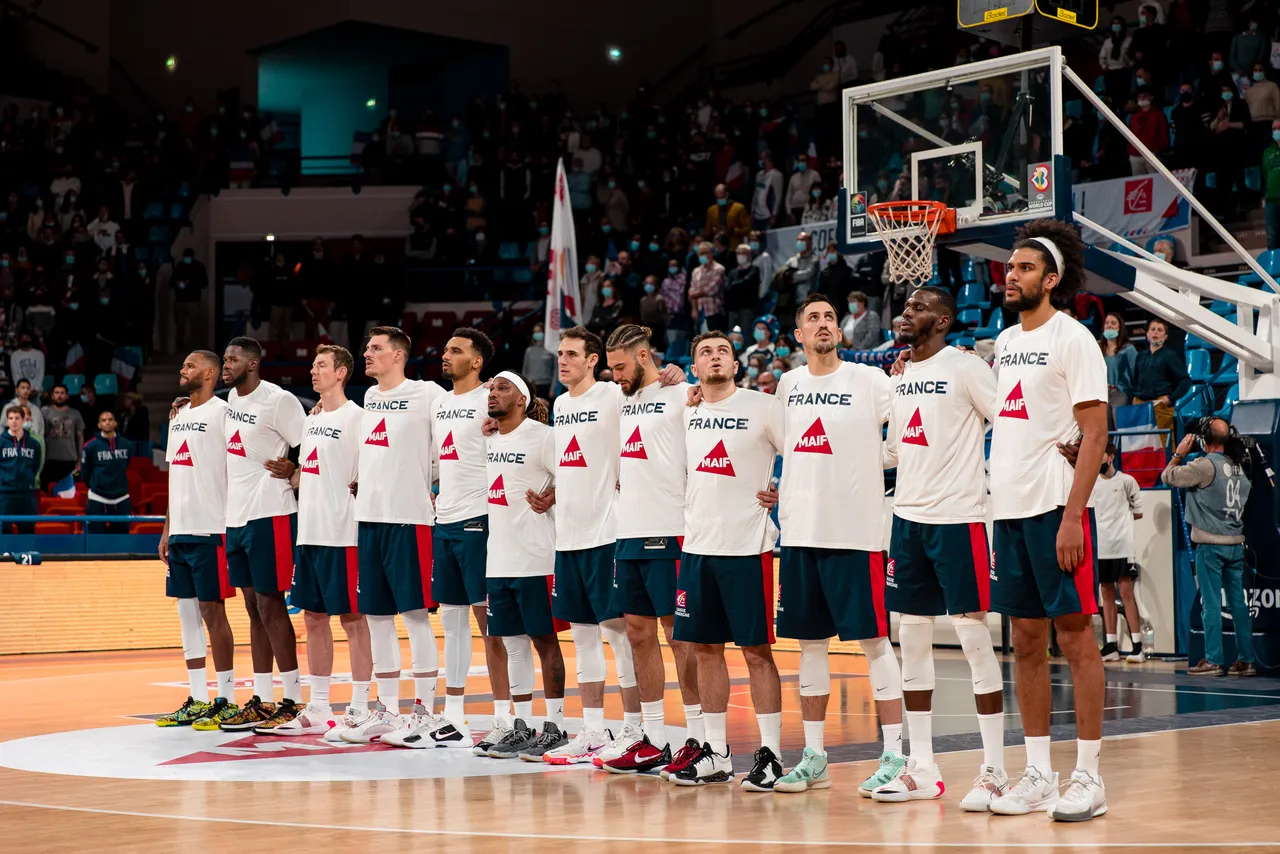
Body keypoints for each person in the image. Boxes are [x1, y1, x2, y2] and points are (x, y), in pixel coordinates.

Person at [985, 220, 1110, 822]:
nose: (1012, 275)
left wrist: (1072, 516)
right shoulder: (1005, 343)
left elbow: (1094, 431)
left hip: (1052, 511)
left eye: (1025, 268)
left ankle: (1089, 775)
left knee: (1075, 637)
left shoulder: (1073, 338)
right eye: (1010, 267)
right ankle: (1038, 770)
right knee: (1025, 642)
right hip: (1006, 513)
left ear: (1052, 279)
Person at [766, 295, 904, 796]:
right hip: (800, 532)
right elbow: (776, 441)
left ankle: (893, 752)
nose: (824, 324)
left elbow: (905, 432)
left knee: (874, 643)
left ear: (839, 331)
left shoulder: (870, 380)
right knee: (810, 647)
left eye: (829, 318)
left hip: (856, 533)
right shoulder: (787, 384)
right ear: (798, 335)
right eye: (813, 319)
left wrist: (879, 460)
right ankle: (815, 756)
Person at [878, 287, 1008, 809]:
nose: (906, 314)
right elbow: (894, 449)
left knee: (975, 639)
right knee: (910, 639)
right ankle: (922, 767)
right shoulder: (902, 375)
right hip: (906, 519)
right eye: (905, 307)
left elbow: (1009, 419)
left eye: (917, 308)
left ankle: (994, 769)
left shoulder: (967, 366)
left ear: (943, 320)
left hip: (958, 520)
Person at [673, 331, 784, 789]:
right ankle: (717, 753)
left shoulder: (763, 406)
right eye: (705, 352)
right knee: (704, 651)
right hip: (697, 546)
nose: (715, 357)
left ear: (736, 365)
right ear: (695, 368)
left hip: (747, 548)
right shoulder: (684, 408)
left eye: (723, 352)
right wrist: (674, 381)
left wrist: (785, 492)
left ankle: (773, 755)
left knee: (757, 653)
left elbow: (801, 453)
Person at [186, 337, 306, 734]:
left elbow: (312, 441)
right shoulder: (230, 403)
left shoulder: (279, 400)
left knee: (272, 605)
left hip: (270, 513)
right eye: (225, 359)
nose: (227, 365)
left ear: (253, 364)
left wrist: (294, 468)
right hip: (236, 517)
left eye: (234, 360)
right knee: (253, 608)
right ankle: (261, 697)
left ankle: (291, 700)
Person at [600, 325, 703, 775]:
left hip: (671, 530)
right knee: (638, 633)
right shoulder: (620, 401)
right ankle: (656, 739)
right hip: (628, 533)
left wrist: (685, 380)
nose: (615, 374)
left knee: (679, 637)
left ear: (644, 356)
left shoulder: (679, 395)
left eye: (621, 366)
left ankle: (700, 738)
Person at [538, 327, 644, 765]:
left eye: (572, 354)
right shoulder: (561, 404)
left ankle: (637, 730)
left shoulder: (612, 396)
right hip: (568, 537)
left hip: (606, 534)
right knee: (582, 637)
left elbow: (652, 400)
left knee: (619, 637)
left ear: (593, 359)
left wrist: (676, 376)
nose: (563, 361)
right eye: (560, 354)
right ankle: (595, 731)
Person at [340, 327, 446, 744]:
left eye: (376, 348)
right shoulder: (369, 398)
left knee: (415, 617)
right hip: (368, 519)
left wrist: (430, 482)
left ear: (399, 355)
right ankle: (384, 711)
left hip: (410, 520)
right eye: (367, 348)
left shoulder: (429, 393)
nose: (367, 354)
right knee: (377, 618)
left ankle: (424, 713)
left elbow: (454, 437)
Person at [267, 345, 375, 740]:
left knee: (353, 620)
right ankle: (318, 707)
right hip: (308, 533)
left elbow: (368, 475)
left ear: (342, 372)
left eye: (321, 365)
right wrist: (291, 471)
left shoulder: (358, 418)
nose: (313, 371)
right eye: (312, 365)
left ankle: (362, 706)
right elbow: (310, 475)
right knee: (313, 618)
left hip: (343, 535)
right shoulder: (311, 421)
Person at [478, 372, 569, 760]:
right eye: (492, 388)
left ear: (522, 400)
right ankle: (522, 726)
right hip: (498, 557)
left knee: (544, 642)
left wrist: (553, 494)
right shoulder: (491, 438)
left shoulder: (542, 436)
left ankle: (556, 726)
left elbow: (577, 475)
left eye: (503, 388)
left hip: (536, 557)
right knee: (513, 645)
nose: (494, 393)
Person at [419, 329, 503, 748]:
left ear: (477, 362)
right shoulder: (438, 403)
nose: (445, 355)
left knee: (490, 622)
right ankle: (453, 716)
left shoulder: (491, 398)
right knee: (452, 623)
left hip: (480, 518)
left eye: (456, 350)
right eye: (446, 348)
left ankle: (506, 717)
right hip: (445, 520)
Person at [155, 352, 237, 730]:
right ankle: (197, 698)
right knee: (186, 614)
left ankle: (227, 699)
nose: (182, 370)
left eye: (189, 365)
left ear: (209, 373)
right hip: (182, 529)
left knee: (212, 612)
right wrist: (167, 528)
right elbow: (176, 474)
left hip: (211, 528)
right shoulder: (178, 416)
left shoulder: (225, 412)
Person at [1163, 419, 1255, 677]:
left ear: (1205, 440)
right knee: (1238, 604)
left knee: (1211, 604)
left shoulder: (1203, 466)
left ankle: (1214, 659)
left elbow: (1168, 476)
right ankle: (1246, 660)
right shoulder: (1238, 467)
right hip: (1235, 544)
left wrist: (1179, 454)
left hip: (1210, 546)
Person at [1092, 443, 1147, 664]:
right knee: (1106, 595)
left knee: (1126, 594)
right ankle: (1111, 645)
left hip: (1123, 548)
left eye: (1101, 454)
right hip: (1101, 549)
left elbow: (1139, 512)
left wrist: (1119, 527)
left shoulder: (1127, 481)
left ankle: (1137, 647)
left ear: (1111, 457)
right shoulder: (1092, 484)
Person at [81, 410, 136, 534]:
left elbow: (127, 465)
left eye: (110, 420)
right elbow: (85, 473)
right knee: (95, 537)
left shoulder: (126, 445)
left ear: (115, 423)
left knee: (121, 538)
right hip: (98, 498)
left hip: (121, 498)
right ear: (99, 425)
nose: (107, 422)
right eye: (104, 420)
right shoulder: (90, 446)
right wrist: (96, 485)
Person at [1131, 318, 1190, 435]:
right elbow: (1135, 379)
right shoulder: (1141, 356)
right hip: (1139, 405)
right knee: (1139, 445)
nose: (1156, 333)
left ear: (1165, 336)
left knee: (1162, 445)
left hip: (1160, 405)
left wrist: (1171, 398)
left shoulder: (1170, 356)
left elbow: (1185, 380)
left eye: (1159, 330)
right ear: (1147, 334)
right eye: (1153, 329)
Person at [0, 405, 43, 535]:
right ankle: (5, 555)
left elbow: (36, 466)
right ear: (7, 421)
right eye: (10, 418)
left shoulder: (34, 443)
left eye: (17, 418)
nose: (13, 421)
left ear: (23, 420)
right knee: (4, 530)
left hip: (27, 493)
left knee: (27, 529)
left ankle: (27, 555)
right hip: (5, 493)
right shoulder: (1, 442)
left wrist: (27, 479)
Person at [38, 383, 84, 487]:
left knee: (70, 492)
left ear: (67, 396)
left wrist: (80, 460)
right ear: (52, 396)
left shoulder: (75, 413)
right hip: (49, 459)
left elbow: (80, 437)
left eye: (62, 393)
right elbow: (41, 434)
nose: (59, 395)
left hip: (70, 460)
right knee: (48, 490)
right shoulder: (44, 412)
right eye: (57, 393)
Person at [1100, 313, 1137, 419]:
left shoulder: (1128, 349)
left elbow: (1136, 372)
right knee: (1106, 428)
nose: (1109, 325)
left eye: (1113, 323)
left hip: (1121, 392)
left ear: (1120, 327)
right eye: (1107, 323)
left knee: (1120, 425)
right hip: (1103, 394)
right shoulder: (1099, 350)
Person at [172, 249, 208, 348]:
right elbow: (171, 282)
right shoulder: (179, 266)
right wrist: (178, 283)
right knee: (180, 327)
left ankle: (196, 348)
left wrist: (190, 283)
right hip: (180, 301)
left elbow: (204, 283)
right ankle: (180, 348)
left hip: (193, 300)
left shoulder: (198, 267)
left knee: (195, 326)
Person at [688, 241, 727, 333]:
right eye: (700, 253)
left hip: (714, 311)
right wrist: (694, 309)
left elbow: (711, 290)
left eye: (705, 253)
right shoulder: (696, 271)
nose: (702, 256)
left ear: (712, 253)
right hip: (699, 311)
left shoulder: (718, 269)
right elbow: (691, 290)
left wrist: (694, 294)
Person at [725, 245, 762, 334]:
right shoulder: (732, 272)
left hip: (747, 309)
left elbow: (748, 284)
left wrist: (735, 284)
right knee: (733, 336)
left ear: (749, 255)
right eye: (738, 253)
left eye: (743, 253)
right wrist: (741, 283)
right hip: (733, 310)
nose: (740, 255)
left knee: (746, 335)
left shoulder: (754, 270)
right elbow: (727, 288)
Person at [751, 151, 783, 230]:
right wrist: (752, 211)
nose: (760, 161)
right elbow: (755, 195)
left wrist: (774, 215)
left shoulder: (776, 175)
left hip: (768, 215)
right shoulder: (759, 174)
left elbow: (778, 197)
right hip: (757, 216)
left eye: (762, 158)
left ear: (767, 159)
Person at [522, 324, 556, 399]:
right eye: (535, 332)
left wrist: (552, 389)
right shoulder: (529, 351)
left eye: (539, 331)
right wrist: (524, 387)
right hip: (532, 385)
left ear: (544, 332)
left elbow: (555, 371)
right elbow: (525, 370)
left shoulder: (551, 350)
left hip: (546, 386)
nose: (537, 334)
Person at [1263, 119, 1280, 251]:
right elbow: (1265, 173)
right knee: (1272, 237)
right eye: (1274, 129)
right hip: (1271, 200)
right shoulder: (1267, 152)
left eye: (1278, 128)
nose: (1276, 131)